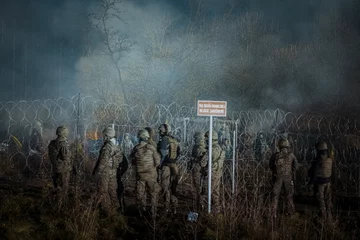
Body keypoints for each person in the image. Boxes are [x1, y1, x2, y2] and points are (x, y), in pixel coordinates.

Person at [92, 127, 127, 216]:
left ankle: (107, 212)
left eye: (104, 135)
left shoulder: (107, 147)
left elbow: (103, 161)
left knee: (103, 191)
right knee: (112, 191)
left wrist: (97, 173)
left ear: (107, 136)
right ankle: (116, 209)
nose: (103, 137)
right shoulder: (118, 146)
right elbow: (120, 160)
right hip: (113, 172)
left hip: (105, 172)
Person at [130, 129, 160, 218]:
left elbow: (132, 161)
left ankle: (141, 213)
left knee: (140, 194)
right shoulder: (152, 148)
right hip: (151, 175)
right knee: (153, 194)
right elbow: (158, 162)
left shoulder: (136, 148)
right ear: (147, 137)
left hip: (140, 176)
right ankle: (153, 213)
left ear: (139, 137)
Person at [269, 138, 298, 219]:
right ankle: (290, 213)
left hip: (277, 177)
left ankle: (273, 214)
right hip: (288, 177)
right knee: (289, 195)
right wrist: (291, 172)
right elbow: (296, 166)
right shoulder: (291, 155)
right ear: (287, 146)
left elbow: (270, 165)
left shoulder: (275, 156)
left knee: (275, 195)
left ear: (279, 146)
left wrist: (275, 172)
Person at [157, 123, 180, 214]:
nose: (159, 132)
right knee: (173, 187)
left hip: (166, 165)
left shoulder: (164, 140)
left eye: (160, 131)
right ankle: (174, 207)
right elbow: (178, 152)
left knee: (165, 186)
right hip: (174, 165)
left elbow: (162, 153)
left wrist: (160, 165)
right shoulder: (174, 140)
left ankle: (166, 207)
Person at [48, 126, 72, 210]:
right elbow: (66, 157)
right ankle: (61, 208)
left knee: (57, 187)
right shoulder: (63, 144)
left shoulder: (52, 143)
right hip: (64, 170)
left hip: (56, 168)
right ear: (64, 133)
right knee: (63, 189)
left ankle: (54, 205)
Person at [308, 141, 333, 219]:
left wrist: (311, 183)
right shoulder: (330, 159)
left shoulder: (317, 161)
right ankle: (329, 218)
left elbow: (314, 174)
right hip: (328, 182)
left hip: (320, 184)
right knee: (328, 202)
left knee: (321, 202)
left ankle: (323, 219)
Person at [204, 130, 225, 214]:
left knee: (206, 193)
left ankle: (204, 212)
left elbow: (203, 162)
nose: (205, 140)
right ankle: (216, 211)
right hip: (217, 173)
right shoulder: (219, 148)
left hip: (211, 174)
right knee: (215, 193)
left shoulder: (211, 150)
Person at [190, 132, 207, 211]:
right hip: (196, 170)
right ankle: (198, 206)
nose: (194, 140)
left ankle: (199, 207)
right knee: (197, 189)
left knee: (198, 189)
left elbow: (202, 162)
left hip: (198, 171)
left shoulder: (200, 148)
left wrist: (193, 159)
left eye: (196, 138)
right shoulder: (197, 147)